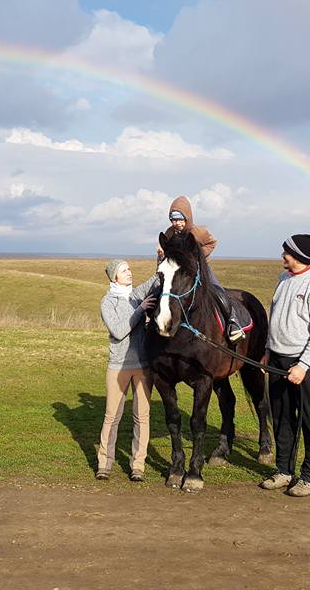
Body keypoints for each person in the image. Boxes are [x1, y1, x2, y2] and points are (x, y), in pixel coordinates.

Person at [259, 234, 310, 497]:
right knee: (281, 418)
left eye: (286, 253)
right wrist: (268, 352)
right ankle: (283, 470)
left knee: (309, 420)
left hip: (305, 364)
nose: (282, 257)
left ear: (298, 256)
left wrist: (302, 366)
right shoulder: (282, 280)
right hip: (277, 360)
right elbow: (275, 319)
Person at [96, 258, 157, 482]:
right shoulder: (107, 302)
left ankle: (138, 465)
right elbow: (119, 330)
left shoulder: (136, 294)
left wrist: (161, 257)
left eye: (130, 269)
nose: (130, 273)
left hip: (143, 366)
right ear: (114, 277)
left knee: (142, 417)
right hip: (118, 367)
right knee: (112, 416)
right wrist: (140, 310)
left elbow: (155, 280)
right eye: (124, 270)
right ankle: (104, 463)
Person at [158, 195, 246, 342]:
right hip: (179, 270)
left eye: (180, 219)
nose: (177, 223)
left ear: (188, 218)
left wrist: (198, 257)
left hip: (199, 267)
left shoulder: (198, 232)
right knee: (160, 291)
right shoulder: (169, 233)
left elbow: (212, 242)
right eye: (173, 220)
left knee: (218, 290)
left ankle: (233, 322)